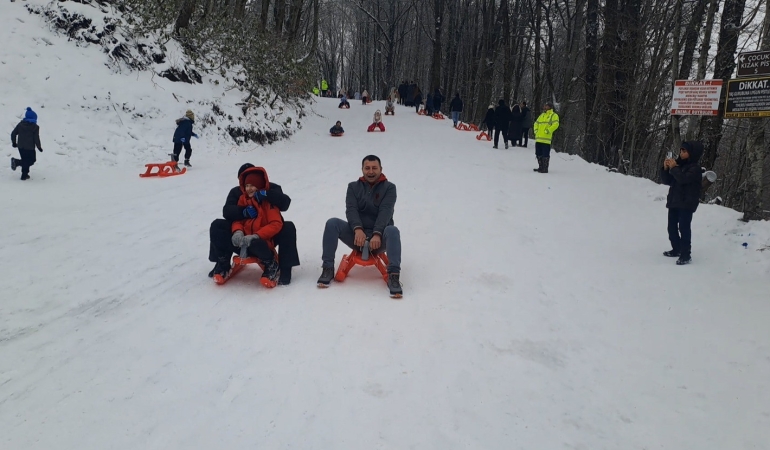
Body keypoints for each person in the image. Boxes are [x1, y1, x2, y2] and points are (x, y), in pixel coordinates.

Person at [317, 155, 402, 297]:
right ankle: (327, 268)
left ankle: (394, 275)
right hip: (357, 237)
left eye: (374, 168)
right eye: (367, 168)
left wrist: (377, 233)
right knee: (332, 223)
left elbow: (385, 212)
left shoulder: (389, 188)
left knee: (393, 231)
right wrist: (357, 229)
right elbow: (351, 210)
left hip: (379, 239)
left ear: (381, 169)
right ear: (362, 169)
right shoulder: (353, 187)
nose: (370, 171)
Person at [208, 163, 299, 285]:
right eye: (245, 183)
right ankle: (222, 262)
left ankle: (283, 267)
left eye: (251, 183)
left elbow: (285, 203)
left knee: (288, 227)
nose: (248, 187)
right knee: (217, 225)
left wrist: (267, 195)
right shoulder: (237, 193)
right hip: (241, 235)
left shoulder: (271, 188)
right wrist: (242, 214)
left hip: (266, 235)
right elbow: (227, 212)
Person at [661, 141, 704, 265]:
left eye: (684, 151)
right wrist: (665, 169)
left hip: (687, 202)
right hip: (675, 201)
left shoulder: (695, 168)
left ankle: (686, 254)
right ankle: (676, 249)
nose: (681, 153)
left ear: (691, 153)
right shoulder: (678, 165)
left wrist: (674, 168)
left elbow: (683, 179)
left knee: (684, 228)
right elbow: (668, 181)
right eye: (681, 150)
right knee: (671, 227)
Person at [10, 107, 43, 180]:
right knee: (31, 160)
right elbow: (36, 138)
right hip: (30, 148)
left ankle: (24, 175)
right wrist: (39, 147)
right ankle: (17, 162)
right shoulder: (35, 127)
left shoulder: (20, 125)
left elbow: (13, 133)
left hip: (21, 146)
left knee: (25, 160)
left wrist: (14, 142)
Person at [532, 102, 560, 173]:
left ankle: (545, 168)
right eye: (544, 106)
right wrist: (536, 131)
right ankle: (540, 167)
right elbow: (536, 123)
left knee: (545, 154)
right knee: (538, 153)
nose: (545, 107)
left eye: (546, 106)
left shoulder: (554, 115)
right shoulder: (542, 115)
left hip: (546, 139)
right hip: (538, 138)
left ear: (550, 107)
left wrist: (548, 130)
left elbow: (556, 124)